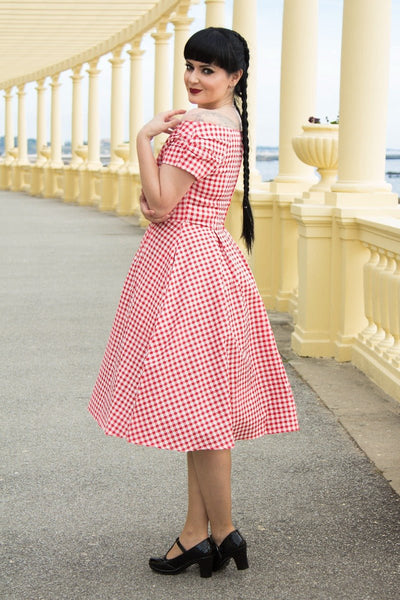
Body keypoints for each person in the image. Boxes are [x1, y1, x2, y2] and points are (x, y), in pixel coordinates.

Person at [88, 27, 299, 579]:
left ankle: (223, 529)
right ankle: (195, 532)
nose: (194, 78)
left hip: (185, 267)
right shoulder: (230, 126)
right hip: (212, 259)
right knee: (201, 406)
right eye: (191, 66)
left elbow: (159, 204)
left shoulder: (194, 131)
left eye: (208, 70)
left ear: (235, 77)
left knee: (200, 410)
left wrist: (143, 138)